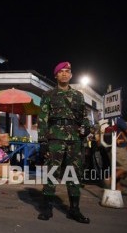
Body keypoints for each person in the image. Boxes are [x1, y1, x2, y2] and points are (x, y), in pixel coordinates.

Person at [37, 61, 90, 224]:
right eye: (61, 71)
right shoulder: (48, 95)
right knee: (52, 173)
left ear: (71, 75)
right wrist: (43, 141)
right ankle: (47, 208)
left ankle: (74, 209)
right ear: (56, 75)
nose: (65, 74)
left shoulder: (78, 96)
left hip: (74, 139)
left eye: (68, 71)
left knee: (74, 174)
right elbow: (42, 119)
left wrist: (87, 128)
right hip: (55, 138)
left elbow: (84, 117)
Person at [103, 117, 127, 190]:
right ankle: (109, 179)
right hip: (119, 148)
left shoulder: (110, 120)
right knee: (126, 167)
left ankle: (118, 188)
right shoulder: (119, 120)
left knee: (117, 168)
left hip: (111, 148)